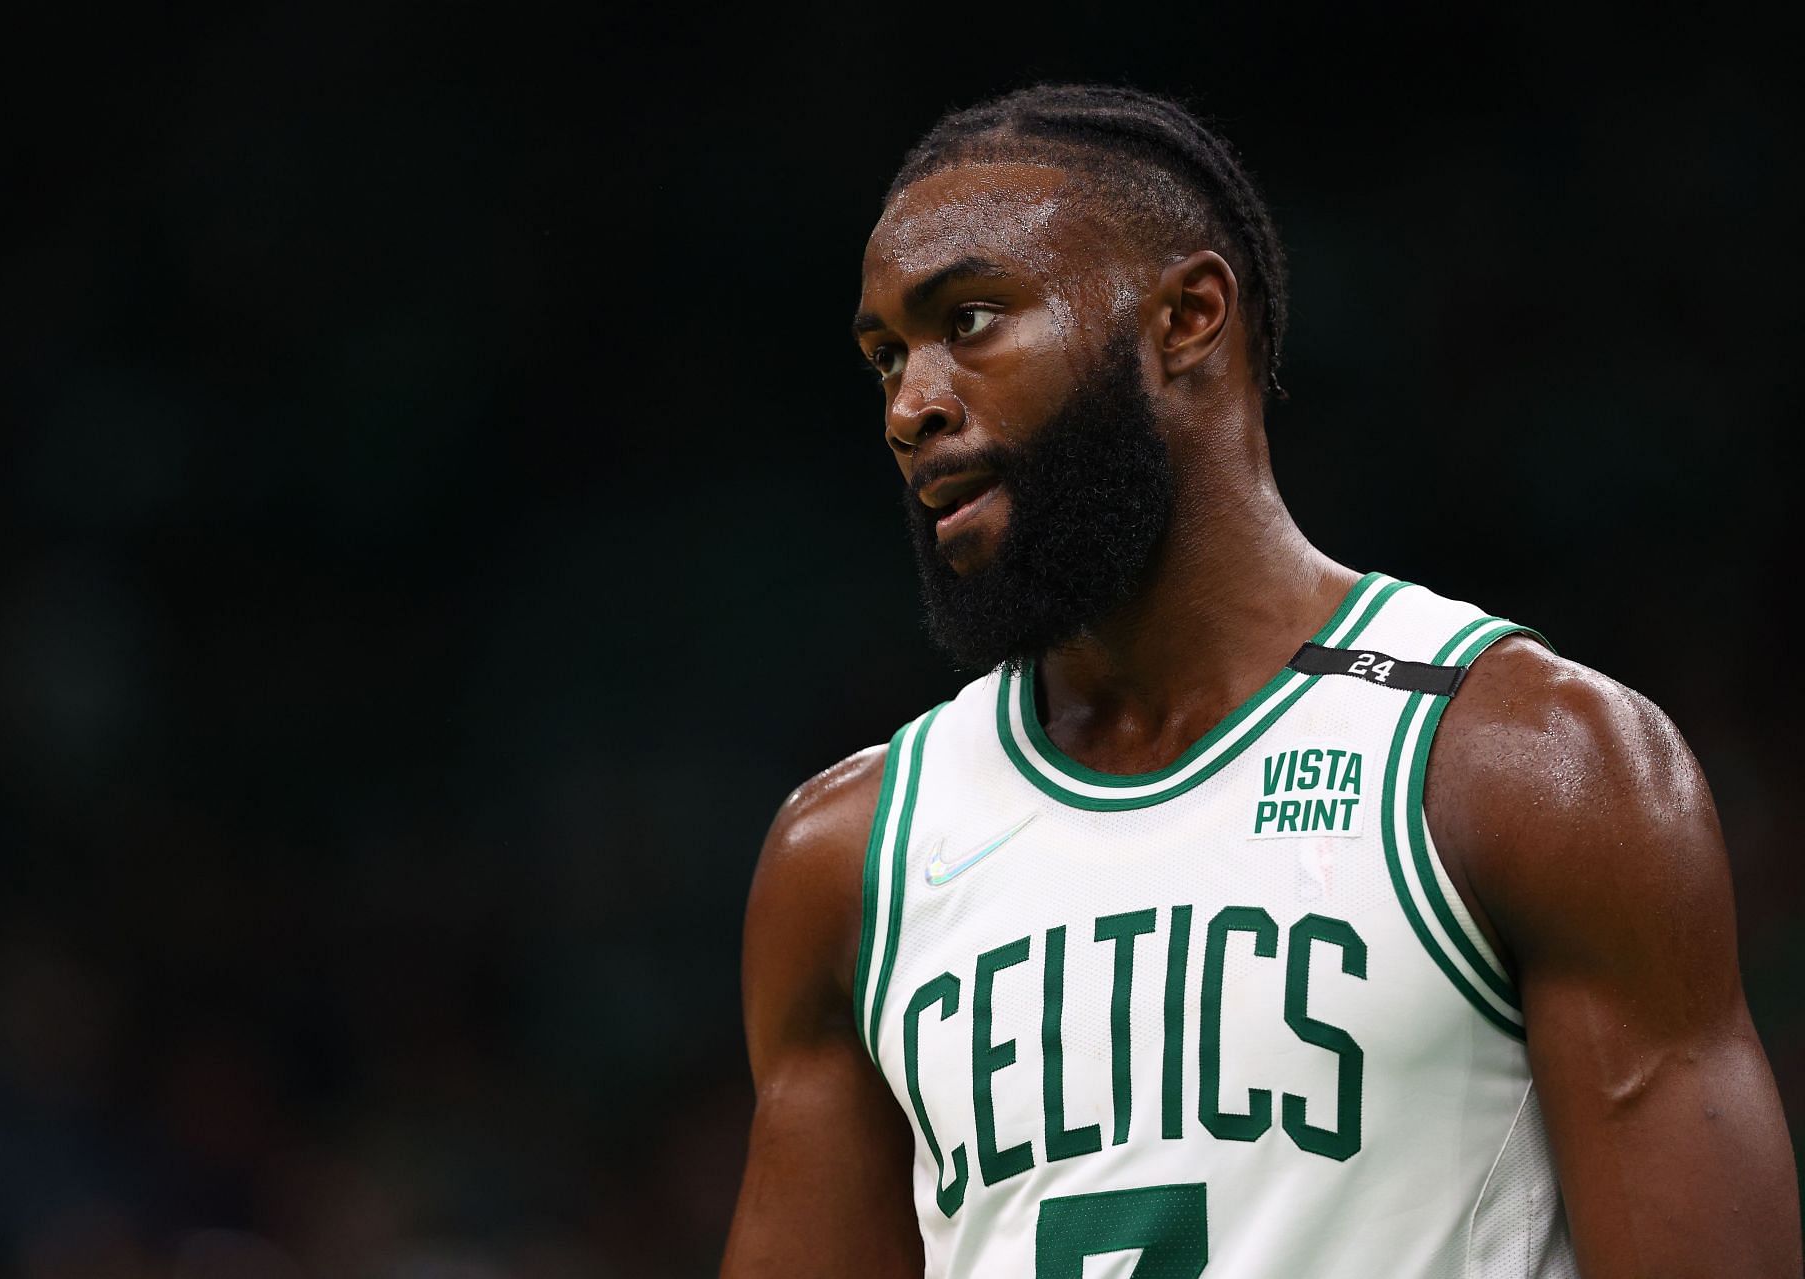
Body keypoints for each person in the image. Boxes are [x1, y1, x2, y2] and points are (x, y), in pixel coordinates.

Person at [720, 84, 1799, 1278]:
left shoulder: (1526, 762)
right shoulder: (844, 859)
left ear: (1187, 317)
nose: (910, 406)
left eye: (969, 319)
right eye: (885, 358)